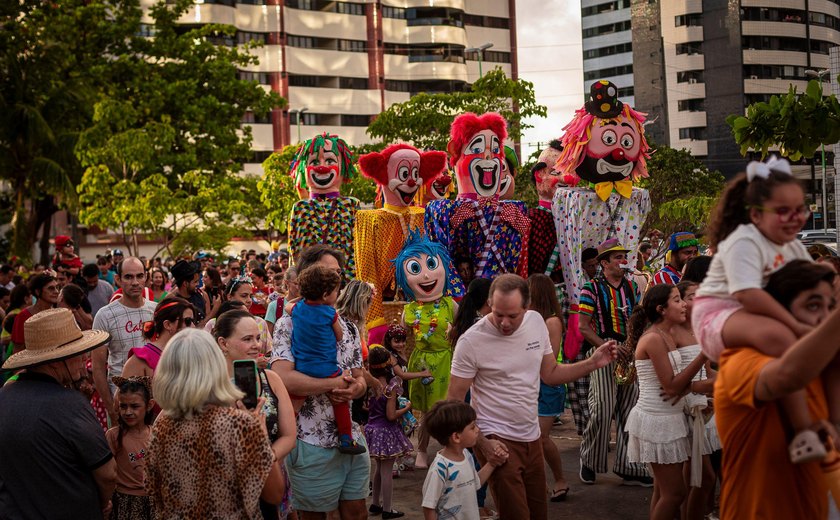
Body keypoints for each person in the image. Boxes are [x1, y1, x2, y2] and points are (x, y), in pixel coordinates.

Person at [447, 274, 619, 520]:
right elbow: (454, 400)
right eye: (498, 314)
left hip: (532, 437)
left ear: (527, 307)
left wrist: (592, 363)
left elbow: (550, 373)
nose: (504, 323)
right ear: (489, 304)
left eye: (513, 316)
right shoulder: (471, 341)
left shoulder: (537, 322)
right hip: (496, 439)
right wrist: (483, 443)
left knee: (539, 513)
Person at [694, 157, 831, 463]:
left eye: (800, 209)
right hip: (719, 313)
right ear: (755, 214)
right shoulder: (744, 241)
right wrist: (798, 328)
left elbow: (815, 282)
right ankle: (803, 431)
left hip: (757, 311)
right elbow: (748, 295)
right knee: (780, 336)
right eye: (783, 211)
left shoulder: (793, 246)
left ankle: (832, 422)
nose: (795, 218)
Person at [716, 260, 840, 519]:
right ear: (778, 314)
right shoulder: (740, 360)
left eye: (831, 307)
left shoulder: (826, 366)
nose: (825, 318)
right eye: (813, 305)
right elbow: (786, 376)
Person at [271, 244, 369, 520]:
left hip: (351, 438)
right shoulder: (287, 324)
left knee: (357, 513)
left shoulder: (347, 325)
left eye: (338, 273)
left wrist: (353, 389)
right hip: (309, 441)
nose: (335, 279)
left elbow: (359, 380)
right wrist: (335, 385)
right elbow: (285, 379)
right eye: (328, 272)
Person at [145, 328, 285, 518]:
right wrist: (262, 436)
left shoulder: (162, 426)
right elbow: (275, 494)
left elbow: (153, 491)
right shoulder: (240, 424)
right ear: (216, 366)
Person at [0, 308, 116, 519]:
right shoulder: (71, 405)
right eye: (77, 353)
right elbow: (107, 474)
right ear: (55, 361)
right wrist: (101, 503)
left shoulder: (4, 396)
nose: (84, 359)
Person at [624, 285, 706, 520]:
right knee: (675, 494)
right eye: (678, 300)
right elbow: (671, 386)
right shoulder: (653, 339)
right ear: (661, 309)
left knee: (666, 491)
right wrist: (703, 356)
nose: (684, 305)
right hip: (657, 421)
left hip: (669, 418)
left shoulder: (666, 335)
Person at [576, 239, 651, 486]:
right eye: (617, 257)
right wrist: (606, 347)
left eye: (623, 257)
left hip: (628, 348)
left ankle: (629, 466)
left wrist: (633, 347)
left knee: (631, 410)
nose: (623, 261)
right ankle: (589, 461)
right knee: (603, 409)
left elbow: (639, 319)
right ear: (604, 263)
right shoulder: (591, 288)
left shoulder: (632, 287)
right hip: (603, 349)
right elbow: (584, 327)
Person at [213, 309, 297, 520]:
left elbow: (289, 436)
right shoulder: (209, 386)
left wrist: (264, 460)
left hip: (269, 478)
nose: (256, 345)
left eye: (258, 338)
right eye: (247, 339)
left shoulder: (271, 379)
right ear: (223, 343)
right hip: (225, 488)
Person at [290, 264, 364, 454]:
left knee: (295, 403)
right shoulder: (331, 314)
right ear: (325, 295)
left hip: (302, 368)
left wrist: (303, 299)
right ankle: (346, 438)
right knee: (339, 399)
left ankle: (286, 430)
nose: (338, 293)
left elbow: (289, 306)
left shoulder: (297, 309)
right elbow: (339, 336)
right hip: (328, 369)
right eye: (336, 291)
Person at [92, 257, 157, 424]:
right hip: (122, 403)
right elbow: (98, 368)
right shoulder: (104, 315)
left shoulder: (155, 310)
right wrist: (112, 409)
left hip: (153, 401)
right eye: (128, 277)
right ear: (118, 279)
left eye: (139, 276)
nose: (135, 282)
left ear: (146, 278)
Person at [421, 400, 502, 520]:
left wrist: (492, 463)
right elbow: (429, 506)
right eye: (472, 427)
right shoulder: (440, 468)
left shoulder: (466, 455)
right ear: (456, 437)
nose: (477, 430)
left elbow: (475, 482)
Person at [527, 274, 569, 502]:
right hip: (530, 383)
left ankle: (560, 479)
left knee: (540, 438)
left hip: (548, 383)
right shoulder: (528, 319)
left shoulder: (551, 321)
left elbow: (549, 354)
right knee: (529, 438)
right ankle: (538, 483)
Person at [364, 347, 414, 519]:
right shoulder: (390, 386)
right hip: (386, 432)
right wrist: (407, 408)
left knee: (378, 469)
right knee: (386, 472)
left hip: (372, 429)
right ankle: (388, 508)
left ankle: (375, 504)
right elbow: (391, 415)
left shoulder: (368, 384)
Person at [106, 376, 155, 520]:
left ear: (149, 405)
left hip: (152, 502)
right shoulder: (114, 436)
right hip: (124, 503)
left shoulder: (156, 434)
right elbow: (107, 473)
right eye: (123, 406)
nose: (127, 412)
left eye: (134, 406)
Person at [121, 297, 195, 379]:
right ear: (168, 325)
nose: (193, 326)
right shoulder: (140, 360)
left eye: (193, 321)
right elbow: (126, 392)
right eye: (188, 321)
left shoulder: (190, 353)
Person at [10, 273, 59, 353]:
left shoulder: (58, 314)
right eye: (51, 288)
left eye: (57, 288)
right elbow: (18, 350)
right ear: (37, 291)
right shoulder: (23, 316)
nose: (56, 291)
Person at [170, 260, 217, 327]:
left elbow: (206, 324)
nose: (198, 284)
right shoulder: (173, 301)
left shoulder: (202, 295)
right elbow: (197, 326)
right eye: (195, 282)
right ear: (185, 283)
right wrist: (215, 310)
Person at [266, 266, 299, 337]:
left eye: (302, 283)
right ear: (287, 283)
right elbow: (268, 338)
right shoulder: (274, 305)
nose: (299, 287)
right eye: (296, 283)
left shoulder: (309, 304)